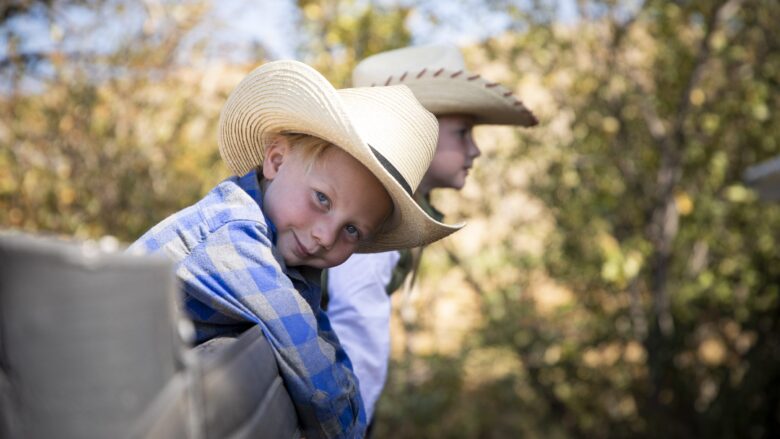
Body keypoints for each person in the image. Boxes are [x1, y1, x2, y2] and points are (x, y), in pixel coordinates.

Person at [128, 60, 461, 439]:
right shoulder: (235, 237)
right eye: (322, 199)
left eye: (352, 230)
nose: (325, 236)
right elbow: (320, 383)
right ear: (276, 160)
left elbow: (324, 340)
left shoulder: (287, 257)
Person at [324, 44, 538, 421]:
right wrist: (352, 421)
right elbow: (356, 323)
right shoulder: (373, 212)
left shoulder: (382, 200)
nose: (475, 150)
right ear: (418, 130)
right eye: (462, 133)